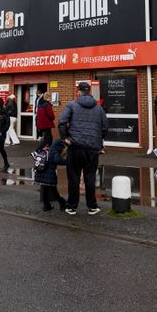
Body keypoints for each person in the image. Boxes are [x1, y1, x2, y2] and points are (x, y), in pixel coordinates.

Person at [57, 81, 108, 216]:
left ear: (79, 91)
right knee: (90, 177)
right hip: (92, 148)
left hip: (75, 147)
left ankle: (71, 207)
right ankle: (92, 206)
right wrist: (99, 141)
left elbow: (61, 122)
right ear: (89, 91)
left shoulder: (72, 105)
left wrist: (65, 138)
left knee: (73, 177)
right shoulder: (98, 108)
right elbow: (105, 127)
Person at [33, 137, 68, 212]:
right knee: (54, 189)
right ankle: (62, 203)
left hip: (41, 173)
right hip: (49, 175)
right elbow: (58, 160)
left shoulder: (47, 149)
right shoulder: (54, 151)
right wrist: (67, 162)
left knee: (46, 189)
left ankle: (46, 205)